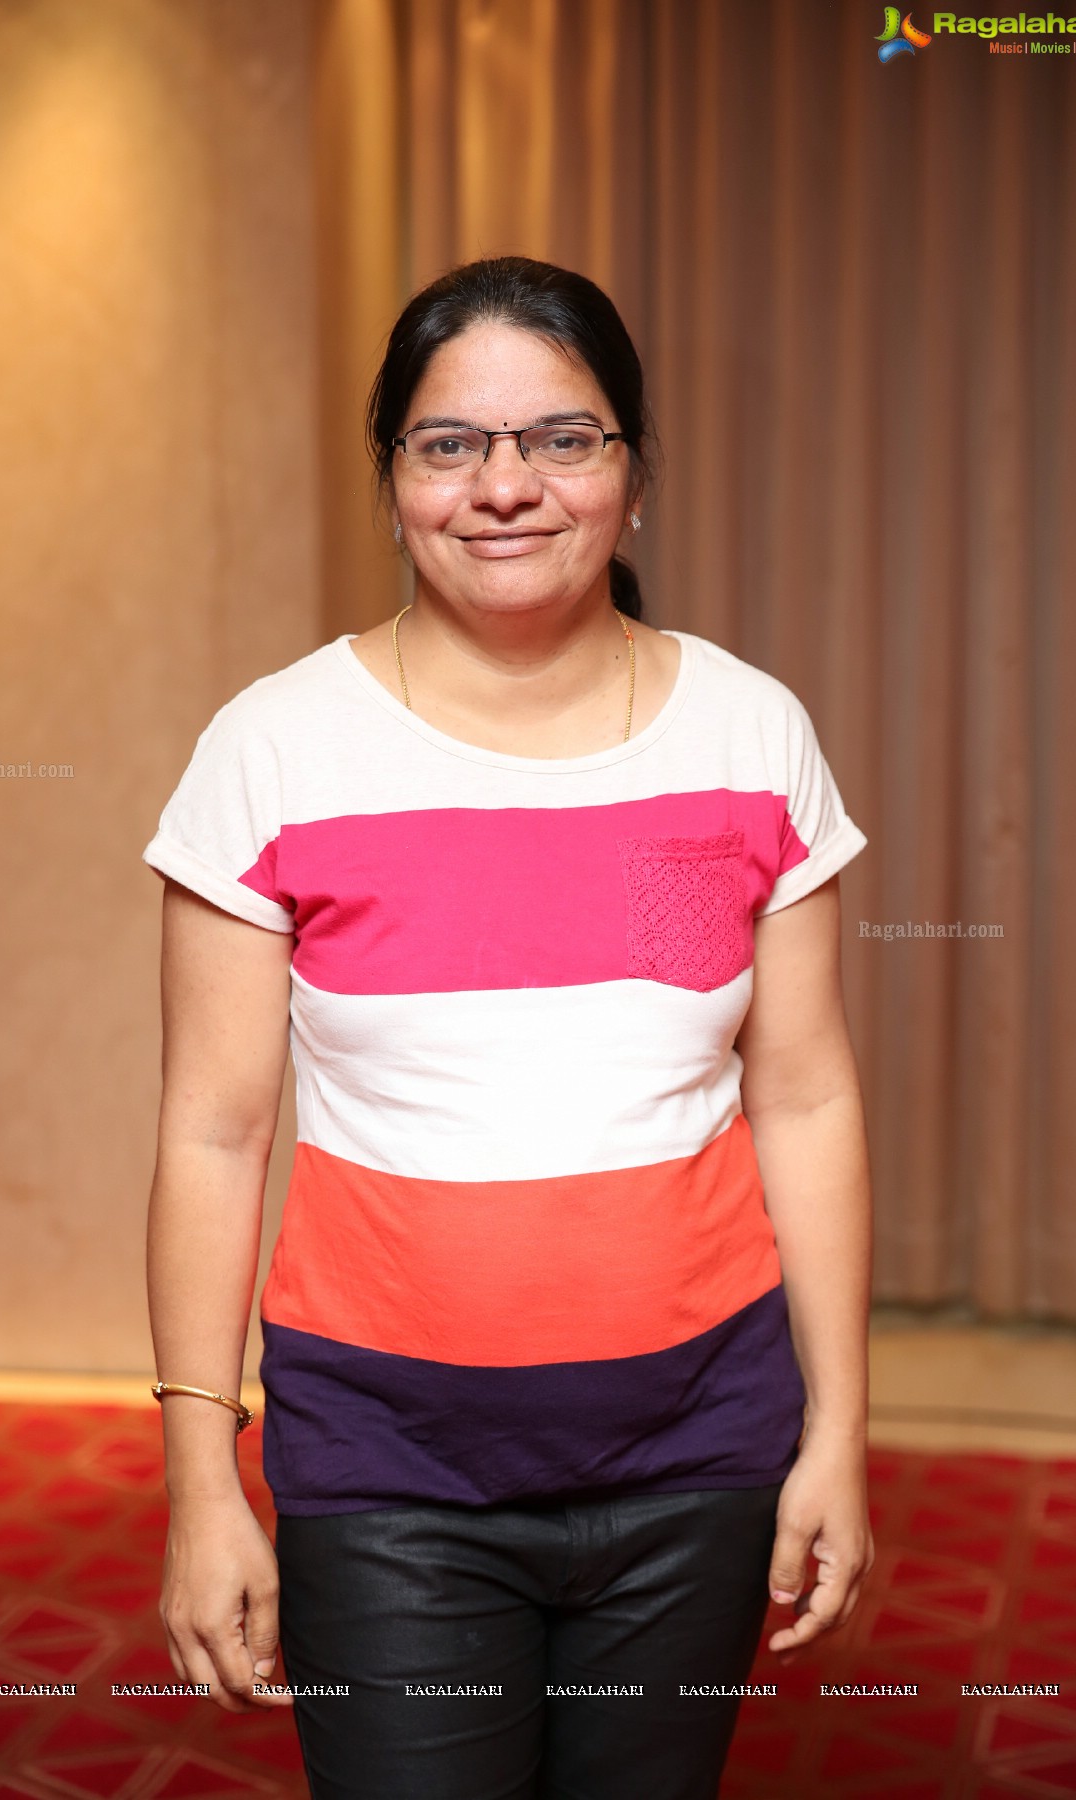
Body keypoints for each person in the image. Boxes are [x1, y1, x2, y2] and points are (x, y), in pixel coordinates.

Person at [142, 255, 874, 1800]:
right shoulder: (277, 748)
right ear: (395, 474)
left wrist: (840, 1432)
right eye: (450, 443)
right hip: (388, 1471)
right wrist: (200, 1478)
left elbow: (802, 1098)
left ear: (635, 469)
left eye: (564, 437)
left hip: (701, 1453)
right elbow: (214, 1132)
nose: (506, 487)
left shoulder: (747, 733)